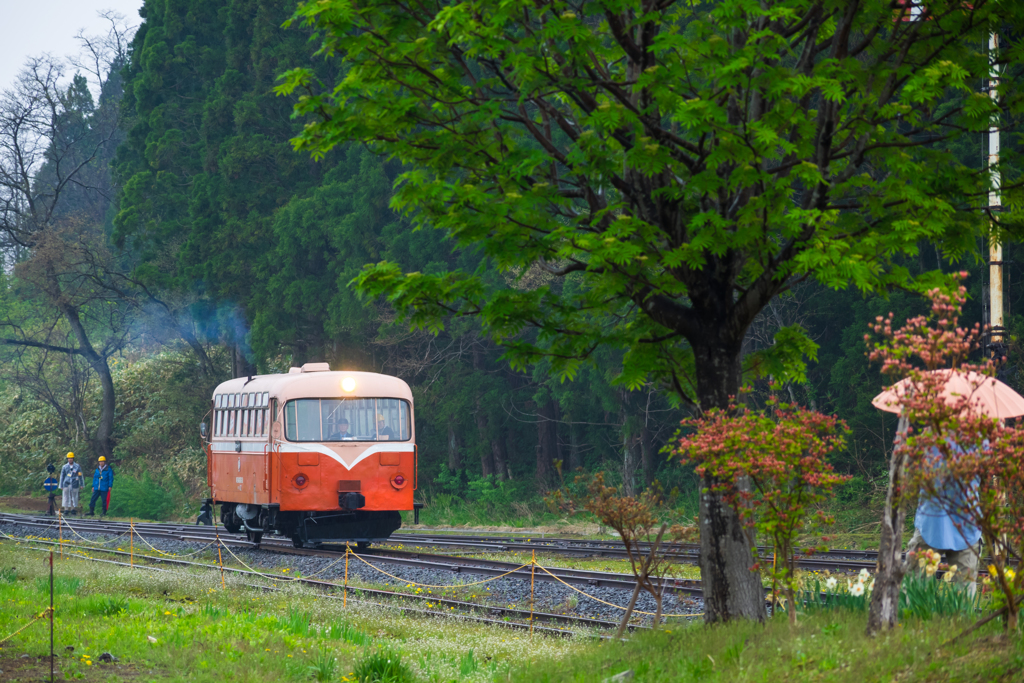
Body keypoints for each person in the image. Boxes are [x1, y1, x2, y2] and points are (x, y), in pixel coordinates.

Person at [907, 442, 981, 593]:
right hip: (961, 523)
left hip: (936, 522)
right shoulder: (978, 435)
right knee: (964, 598)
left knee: (915, 593)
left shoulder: (931, 435)